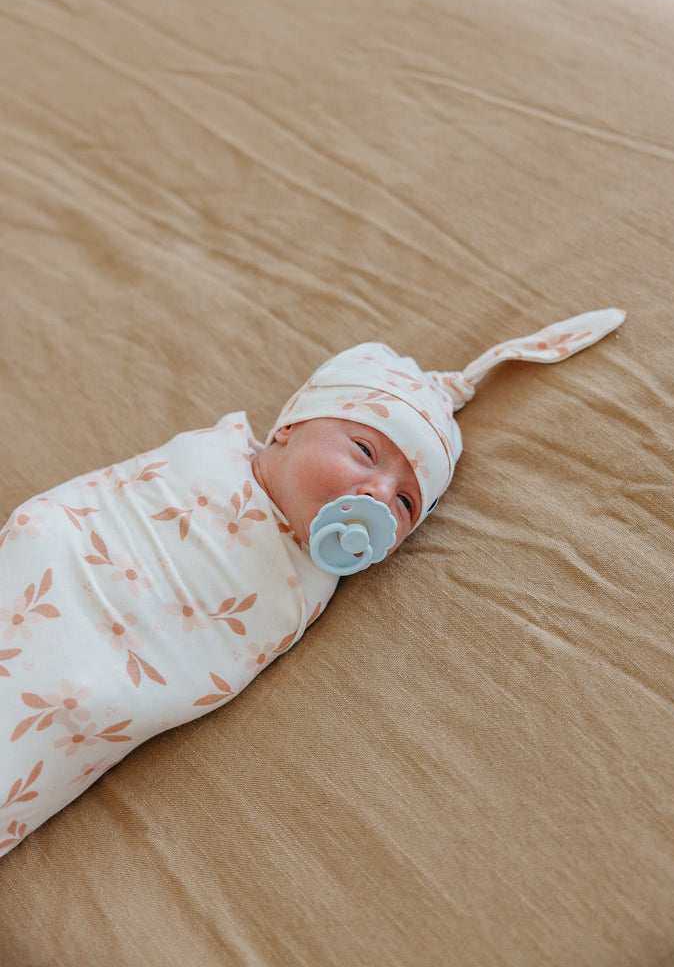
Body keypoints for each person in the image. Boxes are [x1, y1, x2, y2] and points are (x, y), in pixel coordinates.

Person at [0, 308, 624, 856]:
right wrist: (48, 538)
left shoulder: (306, 582)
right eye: (363, 451)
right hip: (51, 568)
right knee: (40, 538)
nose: (376, 494)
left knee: (70, 705)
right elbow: (95, 512)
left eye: (406, 503)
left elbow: (204, 653)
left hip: (98, 687)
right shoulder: (211, 453)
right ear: (290, 427)